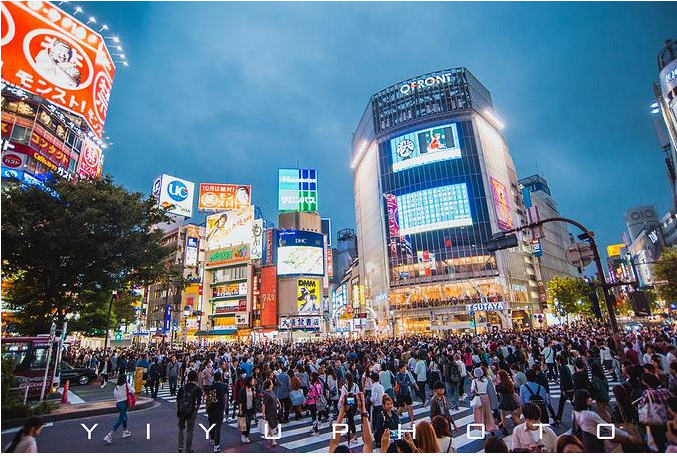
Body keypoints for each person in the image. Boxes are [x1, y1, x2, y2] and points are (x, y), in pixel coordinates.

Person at [638, 372, 674, 452]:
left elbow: (643, 406)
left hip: (656, 422)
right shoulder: (665, 391)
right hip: (669, 418)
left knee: (659, 443)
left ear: (644, 382)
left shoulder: (647, 393)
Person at [176, 370, 202, 452]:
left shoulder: (182, 387)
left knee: (180, 428)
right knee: (190, 430)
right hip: (191, 411)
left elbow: (178, 400)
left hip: (182, 410)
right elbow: (198, 402)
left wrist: (179, 408)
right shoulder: (197, 389)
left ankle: (180, 446)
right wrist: (196, 410)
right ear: (195, 378)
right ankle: (188, 448)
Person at [103, 374, 133, 444]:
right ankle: (109, 435)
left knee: (125, 417)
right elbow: (133, 391)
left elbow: (115, 395)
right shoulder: (126, 385)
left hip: (118, 404)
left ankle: (125, 431)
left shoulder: (116, 386)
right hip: (124, 404)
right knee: (120, 419)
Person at [204, 371, 227, 452]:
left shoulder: (210, 387)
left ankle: (212, 438)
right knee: (218, 426)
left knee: (211, 423)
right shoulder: (224, 386)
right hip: (219, 408)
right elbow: (225, 397)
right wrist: (225, 406)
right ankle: (216, 445)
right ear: (221, 377)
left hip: (211, 408)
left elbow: (206, 397)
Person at [470, 367, 496, 435]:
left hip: (479, 397)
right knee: (488, 413)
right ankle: (491, 427)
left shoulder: (474, 381)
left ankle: (482, 430)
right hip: (486, 396)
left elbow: (472, 390)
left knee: (480, 414)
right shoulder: (486, 380)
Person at [495, 369, 520, 434]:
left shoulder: (501, 384)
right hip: (510, 399)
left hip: (504, 400)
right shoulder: (509, 382)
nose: (497, 378)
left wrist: (497, 383)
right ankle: (521, 425)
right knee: (513, 414)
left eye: (498, 377)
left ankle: (505, 428)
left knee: (502, 414)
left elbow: (498, 390)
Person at [238, 376, 257, 443]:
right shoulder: (243, 390)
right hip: (244, 409)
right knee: (246, 423)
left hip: (250, 408)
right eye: (252, 380)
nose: (253, 381)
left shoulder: (253, 389)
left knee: (249, 424)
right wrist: (240, 410)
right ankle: (244, 435)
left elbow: (254, 400)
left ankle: (246, 436)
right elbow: (240, 400)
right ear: (249, 381)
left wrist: (255, 395)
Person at [262, 379, 281, 447]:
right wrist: (263, 413)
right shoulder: (266, 394)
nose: (272, 384)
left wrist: (279, 404)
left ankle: (268, 435)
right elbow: (264, 404)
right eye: (272, 383)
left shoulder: (271, 392)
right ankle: (273, 440)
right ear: (269, 385)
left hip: (274, 411)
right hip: (269, 411)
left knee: (272, 424)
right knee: (271, 425)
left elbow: (276, 398)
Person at [306, 372, 324, 436]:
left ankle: (316, 431)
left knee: (313, 417)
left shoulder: (312, 386)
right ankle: (314, 428)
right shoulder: (319, 384)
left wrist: (305, 402)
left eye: (311, 376)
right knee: (315, 416)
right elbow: (321, 392)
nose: (310, 377)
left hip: (312, 402)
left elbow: (309, 395)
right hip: (318, 401)